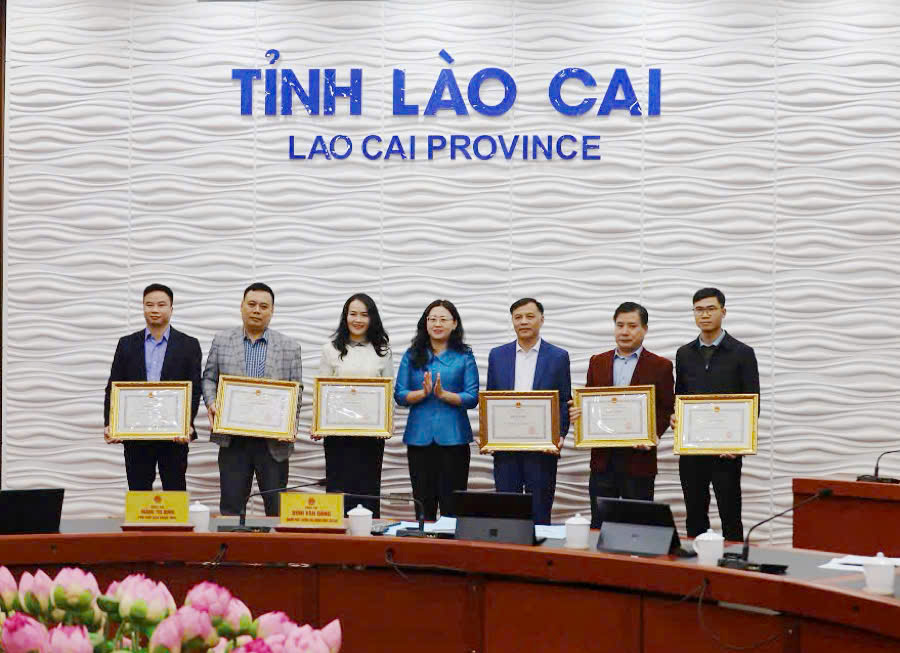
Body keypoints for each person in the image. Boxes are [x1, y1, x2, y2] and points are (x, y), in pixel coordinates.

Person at [568, 302, 674, 527]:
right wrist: (579, 413)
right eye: (620, 325)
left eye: (632, 326)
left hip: (639, 459)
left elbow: (667, 407)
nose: (625, 331)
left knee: (638, 524)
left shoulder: (661, 366)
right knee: (600, 524)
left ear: (645, 329)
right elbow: (590, 401)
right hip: (602, 460)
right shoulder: (597, 362)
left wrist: (653, 434)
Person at [202, 282, 303, 517]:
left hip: (273, 443)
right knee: (231, 509)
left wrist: (290, 424)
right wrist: (211, 402)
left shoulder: (290, 347)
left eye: (263, 306)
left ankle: (275, 545)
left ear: (272, 311)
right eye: (252, 304)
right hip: (233, 440)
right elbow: (209, 379)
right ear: (242, 306)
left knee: (276, 510)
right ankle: (232, 543)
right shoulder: (222, 340)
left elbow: (296, 392)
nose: (257, 310)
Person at [672, 287, 759, 541]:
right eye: (699, 310)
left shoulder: (743, 353)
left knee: (730, 514)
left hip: (726, 451)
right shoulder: (684, 354)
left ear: (723, 311)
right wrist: (676, 418)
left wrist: (739, 445)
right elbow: (681, 397)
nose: (705, 315)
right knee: (694, 514)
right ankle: (696, 561)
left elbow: (752, 403)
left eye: (711, 309)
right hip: (692, 450)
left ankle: (733, 562)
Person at [103, 283, 202, 491]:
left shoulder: (189, 345)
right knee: (138, 491)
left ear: (171, 309)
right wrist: (110, 423)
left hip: (173, 435)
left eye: (161, 305)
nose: (154, 309)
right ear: (143, 307)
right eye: (149, 305)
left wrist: (187, 424)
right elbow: (113, 386)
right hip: (137, 434)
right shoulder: (126, 344)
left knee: (174, 490)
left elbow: (194, 390)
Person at [486, 298, 571, 525]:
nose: (523, 321)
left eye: (530, 316)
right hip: (506, 447)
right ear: (512, 321)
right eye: (518, 317)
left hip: (542, 448)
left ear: (541, 320)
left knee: (540, 510)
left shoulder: (558, 356)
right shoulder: (497, 355)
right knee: (507, 512)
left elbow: (564, 400)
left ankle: (539, 548)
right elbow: (491, 399)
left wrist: (560, 434)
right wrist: (488, 434)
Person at [394, 299, 478, 521]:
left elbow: (472, 397)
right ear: (425, 323)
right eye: (432, 319)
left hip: (454, 440)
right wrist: (422, 393)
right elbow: (400, 395)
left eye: (443, 319)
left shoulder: (464, 355)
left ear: (454, 323)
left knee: (453, 507)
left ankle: (450, 543)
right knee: (423, 504)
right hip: (419, 439)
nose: (437, 324)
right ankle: (424, 542)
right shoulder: (412, 354)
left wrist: (444, 395)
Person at [315, 293, 393, 517]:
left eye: (364, 315)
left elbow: (388, 391)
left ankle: (369, 535)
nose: (358, 320)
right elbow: (322, 390)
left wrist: (389, 422)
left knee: (368, 490)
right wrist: (317, 423)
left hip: (371, 435)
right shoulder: (330, 349)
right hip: (337, 434)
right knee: (338, 490)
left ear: (372, 318)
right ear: (345, 316)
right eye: (353, 314)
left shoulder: (383, 350)